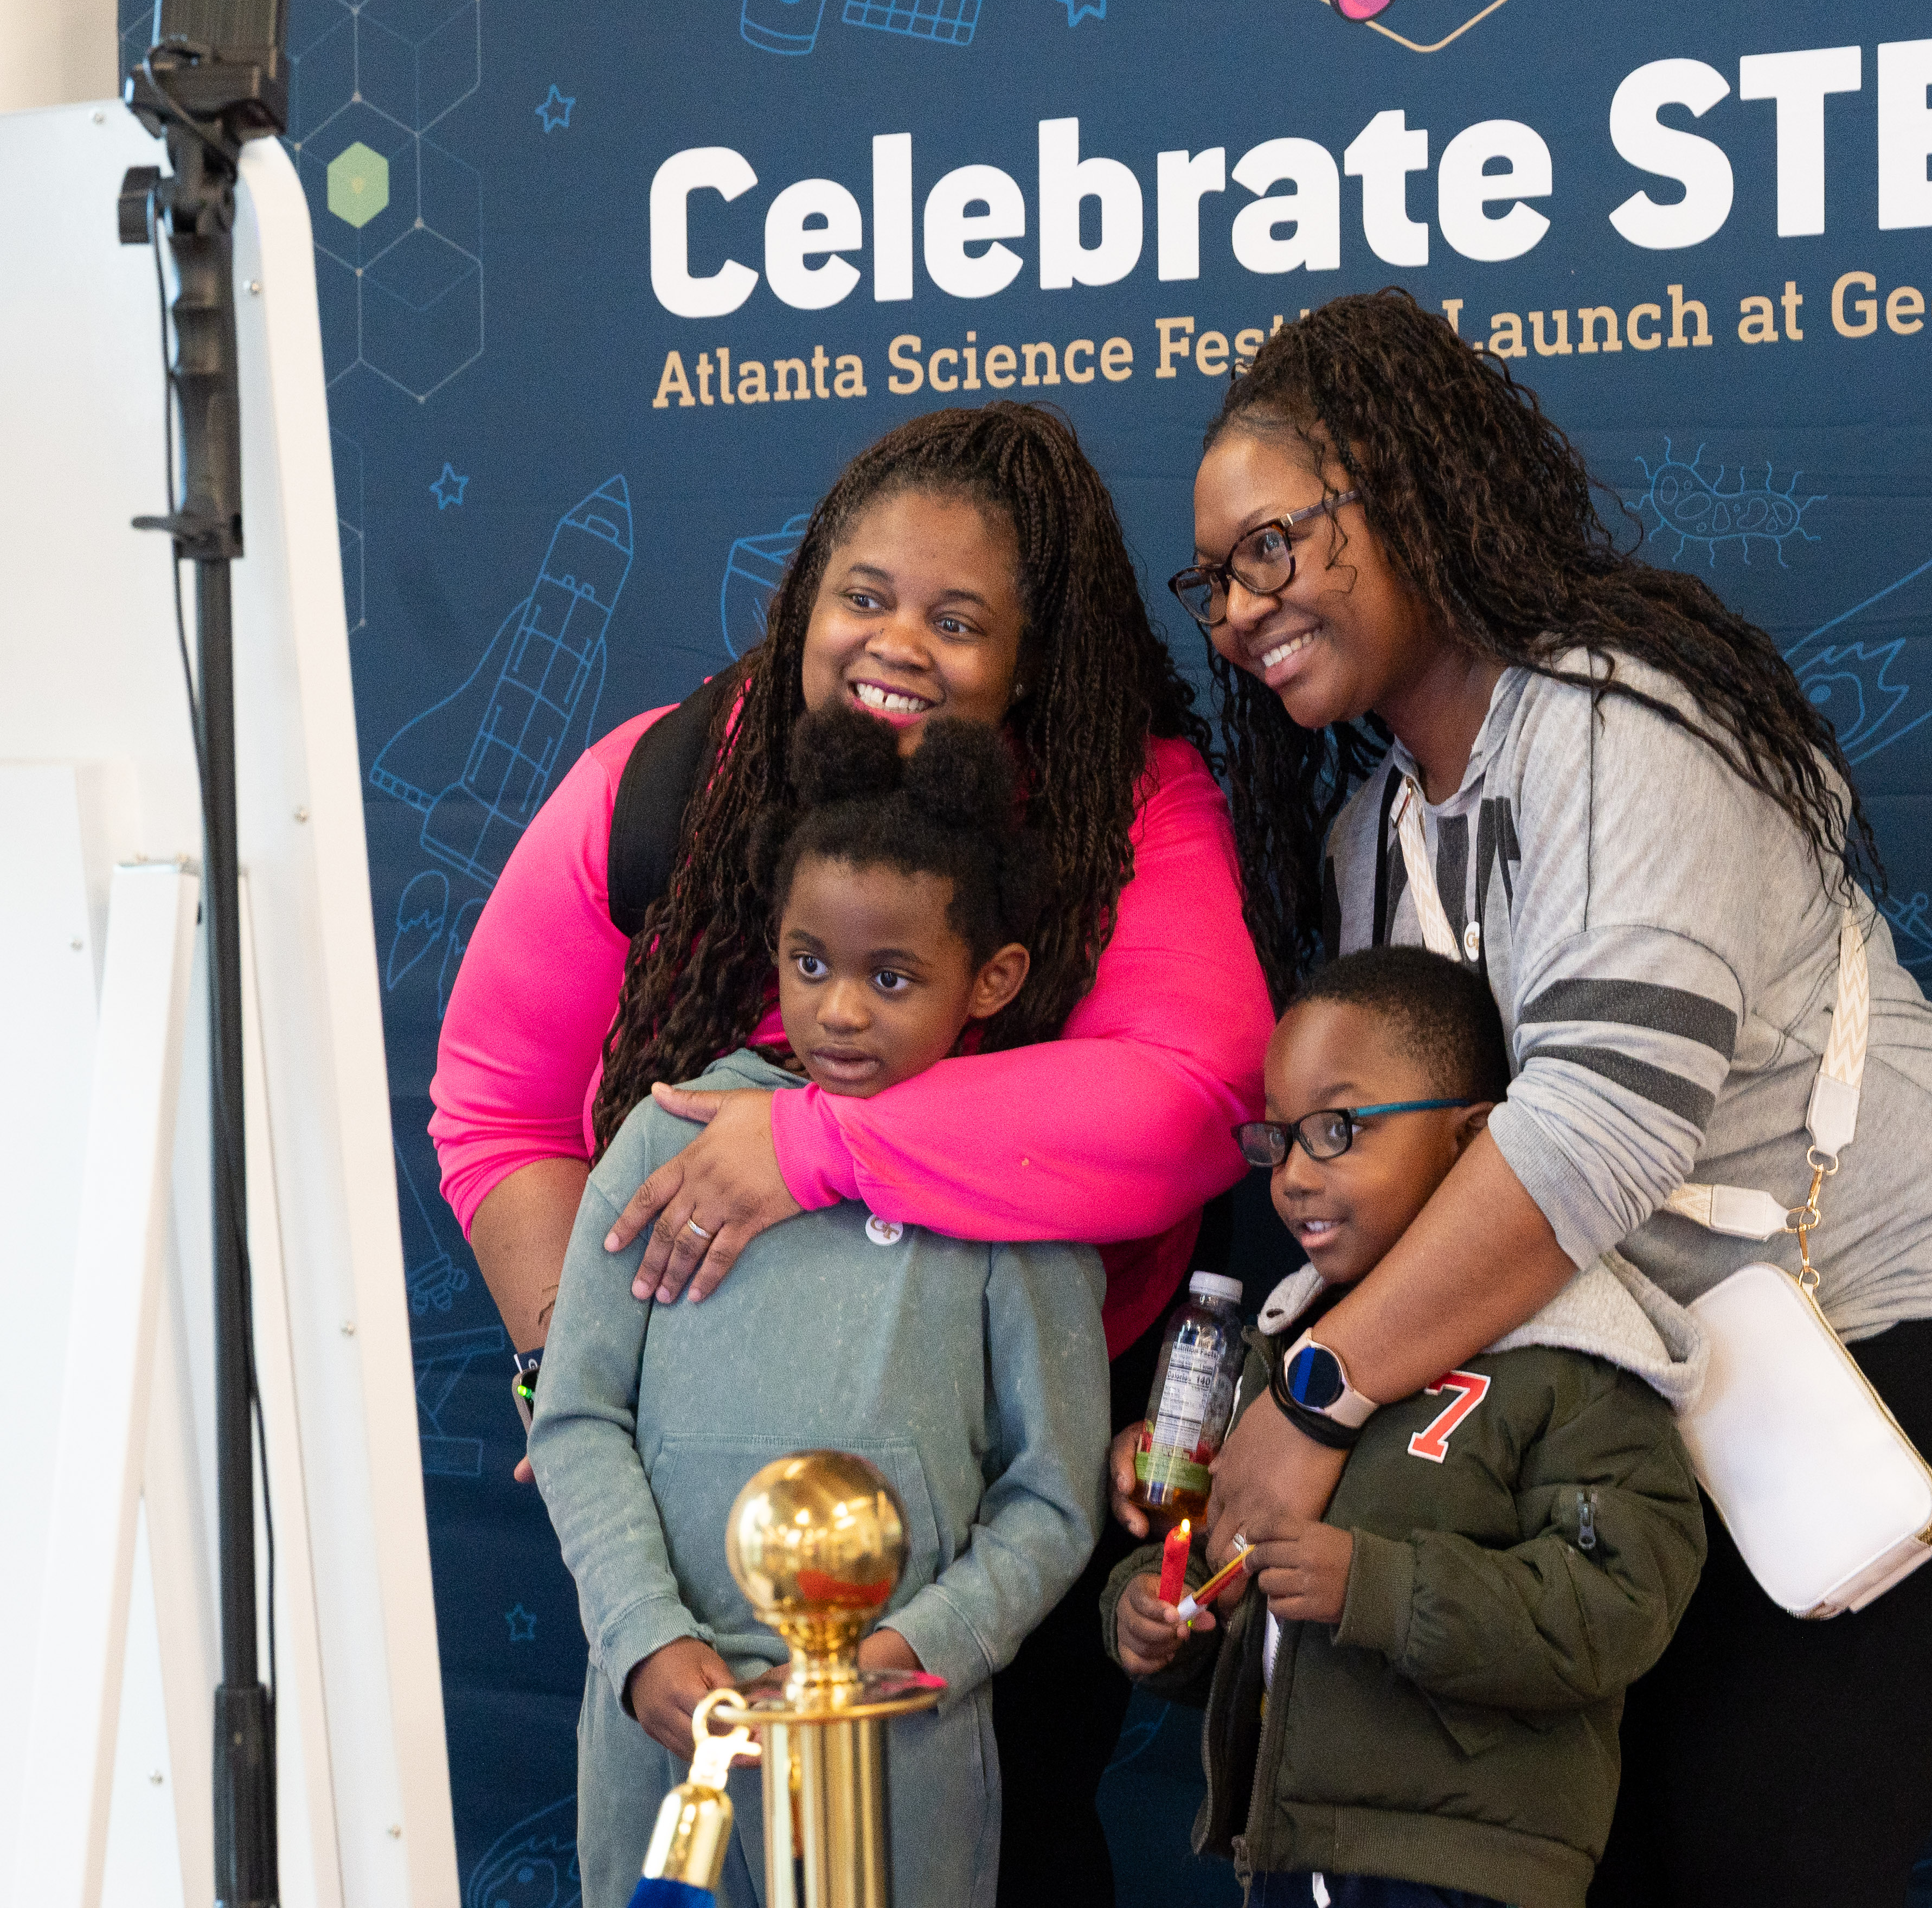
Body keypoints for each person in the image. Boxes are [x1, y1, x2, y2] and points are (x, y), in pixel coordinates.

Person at [1173, 290, 1932, 1906]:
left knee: (1761, 1860)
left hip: (1925, 1319)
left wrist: (1317, 1396)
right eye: (1214, 577)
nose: (1239, 610)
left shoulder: (1626, 716)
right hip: (1665, 1394)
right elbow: (1415, 1182)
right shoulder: (1372, 838)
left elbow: (1592, 1129)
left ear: (1408, 492)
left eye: (1274, 545)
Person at [435, 404, 1270, 1901]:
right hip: (685, 1558)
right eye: (865, 596)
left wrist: (815, 1145)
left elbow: (1193, 1094)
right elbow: (496, 1104)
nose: (899, 643)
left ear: (1033, 657)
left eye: (960, 619)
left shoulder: (1115, 803)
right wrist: (591, 1359)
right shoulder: (668, 782)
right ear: (806, 591)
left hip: (960, 1580)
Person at [532, 705, 1106, 1908]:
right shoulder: (664, 1138)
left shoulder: (1017, 1188)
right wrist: (643, 1641)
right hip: (668, 1729)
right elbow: (580, 1418)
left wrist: (907, 1655)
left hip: (896, 1736)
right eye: (812, 965)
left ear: (989, 978)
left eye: (891, 977)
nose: (841, 1010)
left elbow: (1051, 1497)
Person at [1106, 947, 1705, 1908]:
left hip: (1467, 1869)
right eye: (1280, 1139)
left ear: (1474, 1141)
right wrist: (1161, 1614)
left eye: (1336, 1130)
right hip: (1288, 1848)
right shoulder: (1287, 1348)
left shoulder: (1579, 1358)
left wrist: (1372, 1586)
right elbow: (1220, 1546)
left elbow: (1621, 1601)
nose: (1293, 1176)